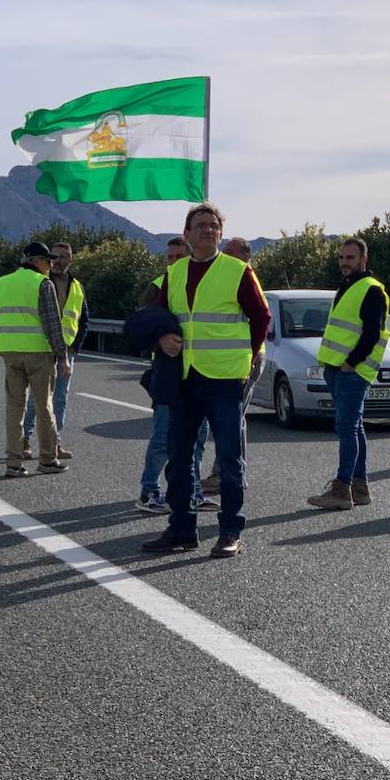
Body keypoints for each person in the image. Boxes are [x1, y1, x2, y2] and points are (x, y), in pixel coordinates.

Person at [141, 203, 269, 558]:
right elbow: (161, 317)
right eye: (201, 225)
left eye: (214, 225)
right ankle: (181, 529)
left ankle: (230, 531)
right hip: (185, 377)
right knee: (180, 457)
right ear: (187, 233)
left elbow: (261, 317)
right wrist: (162, 339)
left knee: (228, 459)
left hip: (224, 378)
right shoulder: (176, 272)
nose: (208, 230)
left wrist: (245, 357)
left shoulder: (238, 271)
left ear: (220, 233)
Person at [307, 238, 390, 510]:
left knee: (347, 428)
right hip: (337, 368)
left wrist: (351, 363)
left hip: (352, 371)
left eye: (350, 258)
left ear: (363, 260)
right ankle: (359, 486)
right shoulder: (348, 286)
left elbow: (372, 333)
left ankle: (342, 489)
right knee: (355, 426)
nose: (344, 262)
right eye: (342, 257)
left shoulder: (371, 289)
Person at [135, 235, 209, 513]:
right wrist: (160, 341)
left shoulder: (203, 285)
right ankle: (148, 491)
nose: (173, 262)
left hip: (201, 372)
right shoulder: (157, 287)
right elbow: (140, 328)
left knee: (199, 437)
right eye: (169, 257)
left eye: (179, 256)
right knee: (164, 437)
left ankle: (193, 492)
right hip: (168, 375)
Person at [0, 242, 71, 477]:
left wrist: (2, 348)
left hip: (10, 353)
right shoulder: (42, 283)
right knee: (44, 407)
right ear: (35, 261)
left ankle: (13, 463)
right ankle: (48, 459)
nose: (51, 264)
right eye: (47, 260)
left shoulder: (3, 282)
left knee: (14, 409)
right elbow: (52, 324)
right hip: (38, 353)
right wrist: (62, 356)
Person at [200, 236, 260, 496]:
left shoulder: (245, 277)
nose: (224, 256)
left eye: (230, 252)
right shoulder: (228, 277)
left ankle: (229, 473)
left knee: (233, 420)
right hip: (234, 358)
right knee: (233, 420)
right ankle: (226, 472)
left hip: (244, 359)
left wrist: (252, 355)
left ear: (245, 256)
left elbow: (260, 318)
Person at [21, 241, 88, 461]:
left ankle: (55, 443)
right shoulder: (41, 280)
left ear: (71, 259)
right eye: (55, 257)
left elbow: (84, 317)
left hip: (66, 351)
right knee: (37, 399)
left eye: (64, 257)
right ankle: (26, 439)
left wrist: (75, 347)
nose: (59, 261)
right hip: (42, 347)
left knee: (60, 398)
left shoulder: (76, 285)